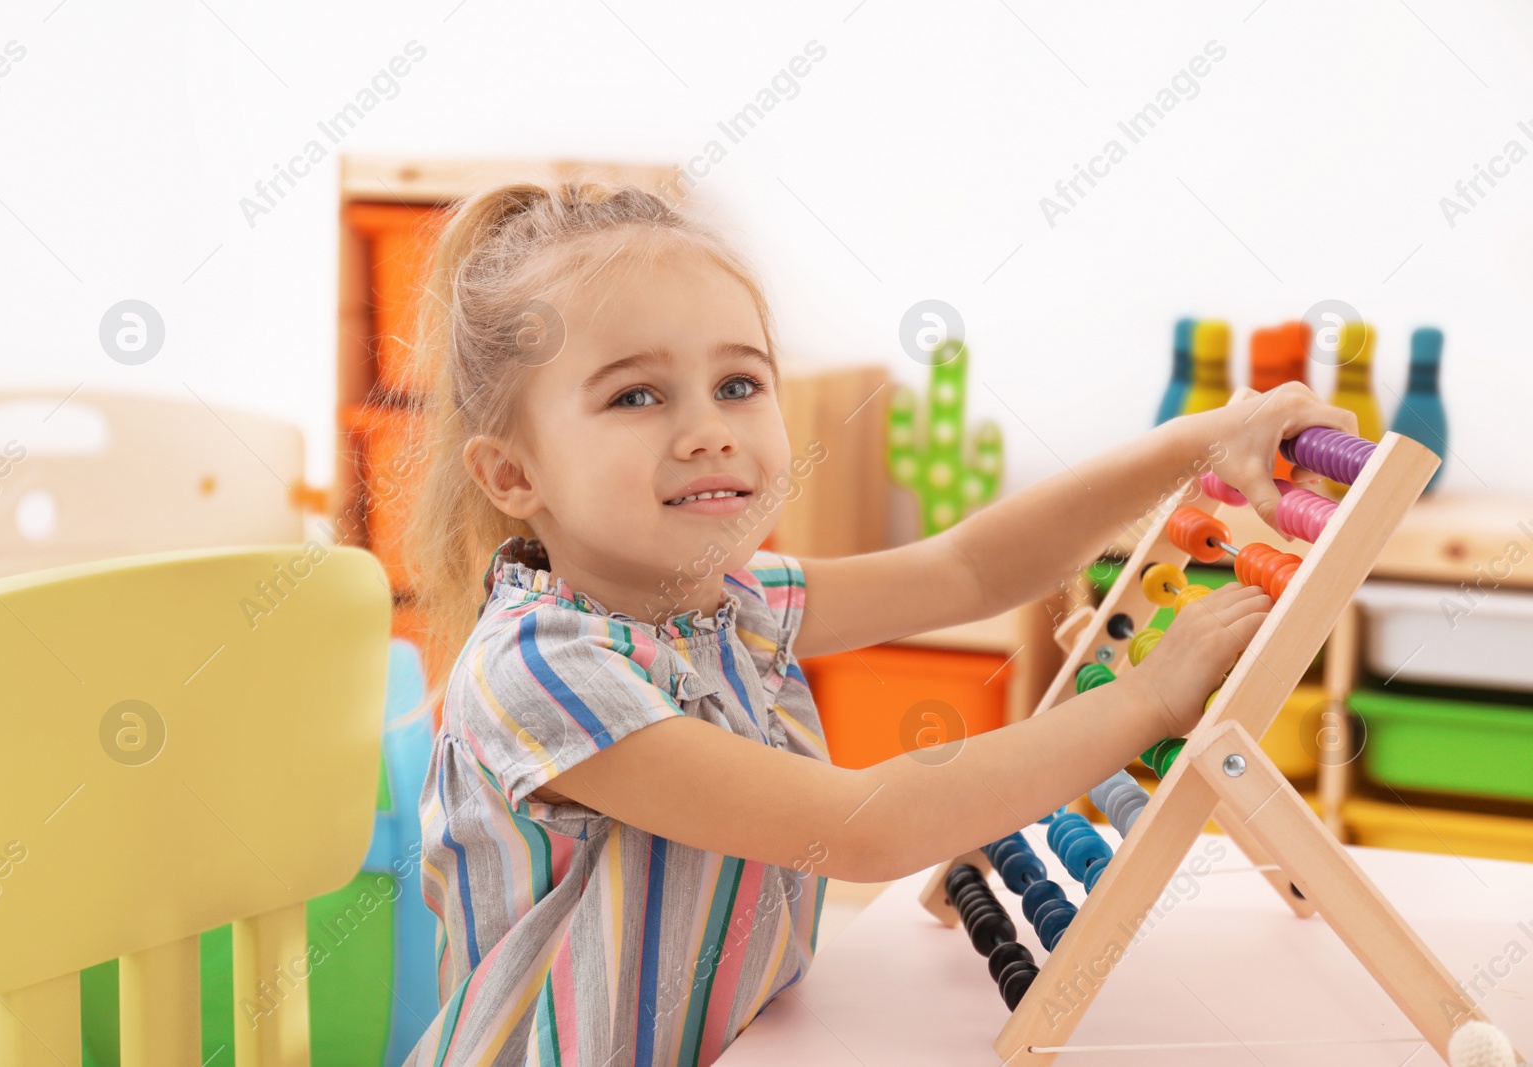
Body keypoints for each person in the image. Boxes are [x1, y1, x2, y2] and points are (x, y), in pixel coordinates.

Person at [398, 179, 1357, 1066]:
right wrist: (1146, 697)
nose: (708, 430)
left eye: (738, 383)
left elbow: (970, 566)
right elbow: (862, 831)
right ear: (512, 476)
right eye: (635, 395)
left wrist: (1202, 441)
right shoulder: (544, 669)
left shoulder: (729, 601)